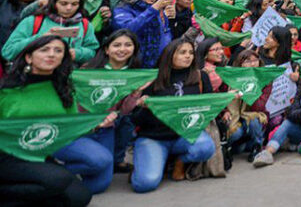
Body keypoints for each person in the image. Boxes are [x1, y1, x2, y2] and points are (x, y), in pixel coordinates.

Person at [0, 35, 116, 206]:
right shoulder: (6, 90)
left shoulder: (64, 88)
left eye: (58, 50)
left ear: (63, 57)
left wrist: (96, 125)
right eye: (44, 50)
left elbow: (68, 127)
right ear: (28, 57)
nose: (52, 54)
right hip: (7, 155)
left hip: (38, 154)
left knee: (80, 197)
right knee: (58, 179)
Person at [130, 38, 217, 193]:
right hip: (153, 137)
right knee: (145, 184)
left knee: (205, 147)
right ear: (169, 55)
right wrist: (141, 106)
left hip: (184, 136)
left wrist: (227, 98)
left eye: (191, 52)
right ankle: (151, 162)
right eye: (182, 52)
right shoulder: (151, 79)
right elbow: (134, 118)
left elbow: (208, 108)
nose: (188, 56)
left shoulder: (200, 77)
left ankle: (180, 160)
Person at [83, 29, 144, 173]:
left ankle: (117, 159)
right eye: (117, 45)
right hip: (89, 122)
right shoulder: (89, 70)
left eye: (128, 45)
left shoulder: (134, 73)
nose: (122, 49)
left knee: (126, 121)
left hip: (113, 121)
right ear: (107, 49)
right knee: (96, 164)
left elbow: (125, 110)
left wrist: (135, 94)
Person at [3, 0, 99, 65]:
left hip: (68, 77)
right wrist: (40, 38)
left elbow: (92, 51)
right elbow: (8, 52)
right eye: (63, 3)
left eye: (74, 4)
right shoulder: (33, 21)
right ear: (53, 3)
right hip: (33, 77)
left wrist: (77, 53)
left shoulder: (85, 24)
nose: (69, 8)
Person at [112, 0, 175, 68]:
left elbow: (165, 33)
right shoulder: (124, 8)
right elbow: (127, 29)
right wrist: (153, 9)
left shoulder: (157, 10)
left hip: (156, 65)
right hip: (132, 64)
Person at [222, 49, 267, 162]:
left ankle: (257, 147)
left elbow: (260, 106)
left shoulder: (264, 79)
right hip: (234, 115)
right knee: (236, 134)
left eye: (255, 60)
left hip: (252, 113)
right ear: (240, 64)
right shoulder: (231, 78)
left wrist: (248, 94)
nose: (252, 64)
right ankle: (228, 148)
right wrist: (225, 111)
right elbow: (221, 98)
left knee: (254, 120)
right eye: (247, 61)